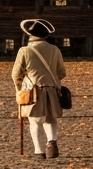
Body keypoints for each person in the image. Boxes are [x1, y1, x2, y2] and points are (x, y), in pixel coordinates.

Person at [12, 18, 67, 160]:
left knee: (34, 121)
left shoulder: (24, 51)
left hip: (32, 90)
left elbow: (16, 74)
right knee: (51, 118)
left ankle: (38, 151)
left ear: (31, 36)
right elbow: (62, 72)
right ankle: (52, 141)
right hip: (51, 89)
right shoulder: (55, 49)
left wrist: (20, 90)